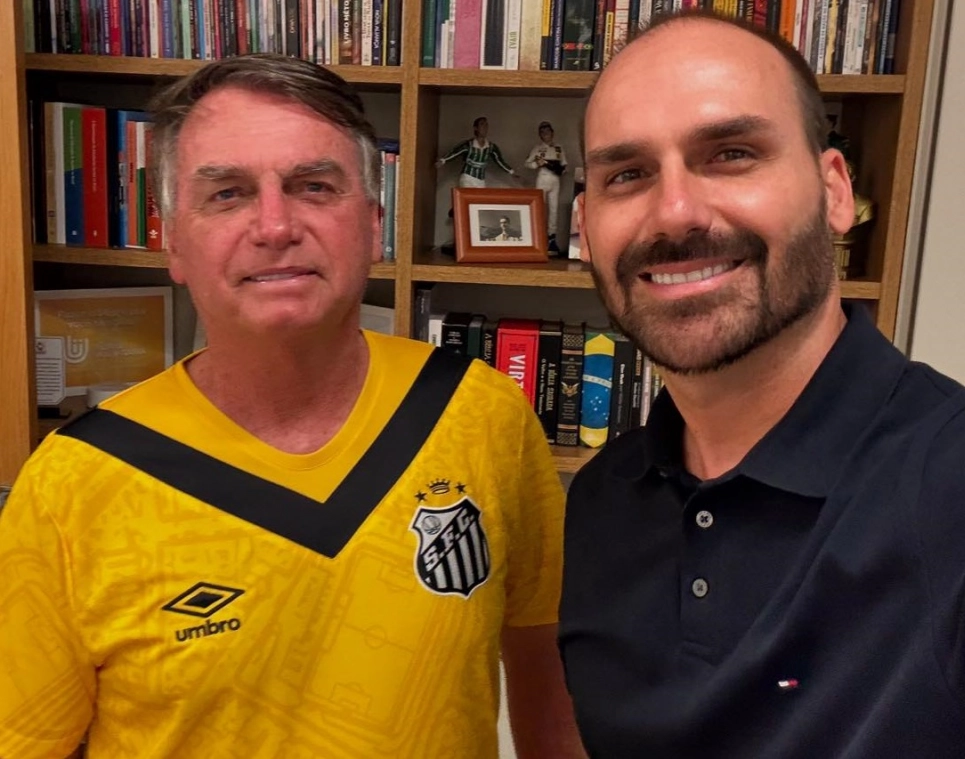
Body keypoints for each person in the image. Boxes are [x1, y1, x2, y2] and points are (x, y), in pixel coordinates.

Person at [0, 54, 585, 759]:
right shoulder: (72, 485)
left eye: (314, 186)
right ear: (173, 241)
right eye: (227, 193)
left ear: (374, 223)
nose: (275, 226)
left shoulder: (482, 411)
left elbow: (544, 655)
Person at [558, 10, 965, 759]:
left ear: (835, 190)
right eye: (628, 174)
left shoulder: (959, 480)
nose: (675, 212)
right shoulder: (600, 502)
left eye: (731, 154)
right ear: (586, 227)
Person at [436, 116, 517, 188]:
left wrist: (511, 172)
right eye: (482, 125)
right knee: (467, 197)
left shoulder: (491, 147)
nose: (485, 128)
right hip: (467, 177)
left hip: (480, 180)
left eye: (486, 125)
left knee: (480, 199)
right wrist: (443, 160)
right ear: (476, 128)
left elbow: (499, 161)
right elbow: (455, 152)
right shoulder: (468, 144)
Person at [524, 120, 567, 254]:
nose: (545, 134)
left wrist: (561, 169)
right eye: (542, 132)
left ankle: (551, 239)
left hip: (555, 179)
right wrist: (537, 164)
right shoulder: (537, 148)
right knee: (539, 208)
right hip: (542, 178)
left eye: (547, 131)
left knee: (554, 210)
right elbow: (527, 163)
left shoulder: (559, 148)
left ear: (552, 133)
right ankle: (538, 238)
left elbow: (564, 163)